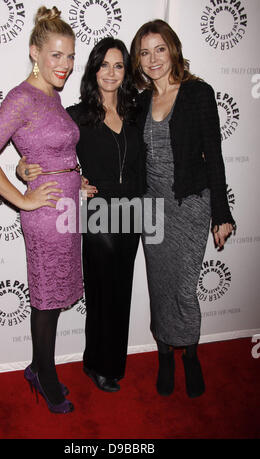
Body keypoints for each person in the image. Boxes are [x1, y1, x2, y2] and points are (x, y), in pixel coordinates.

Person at [0, 6, 82, 414]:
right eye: (56, 55)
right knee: (46, 296)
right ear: (34, 52)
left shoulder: (52, 95)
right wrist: (22, 197)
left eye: (70, 56)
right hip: (45, 216)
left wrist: (75, 177)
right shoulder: (22, 97)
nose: (65, 65)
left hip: (68, 209)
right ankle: (44, 374)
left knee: (55, 294)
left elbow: (55, 150)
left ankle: (39, 365)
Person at [17, 37, 145, 392]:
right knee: (102, 293)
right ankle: (96, 364)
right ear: (93, 69)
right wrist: (22, 167)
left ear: (126, 71)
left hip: (134, 212)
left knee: (122, 291)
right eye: (104, 64)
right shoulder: (75, 116)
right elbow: (42, 146)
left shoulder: (137, 112)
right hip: (96, 214)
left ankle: (113, 363)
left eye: (118, 65)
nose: (111, 72)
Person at [130, 20, 235, 398]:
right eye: (144, 52)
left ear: (172, 49)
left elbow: (216, 158)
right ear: (137, 60)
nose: (153, 58)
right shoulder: (139, 100)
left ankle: (189, 353)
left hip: (191, 204)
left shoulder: (197, 93)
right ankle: (164, 355)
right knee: (160, 287)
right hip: (151, 208)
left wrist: (221, 214)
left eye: (160, 49)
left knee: (185, 289)